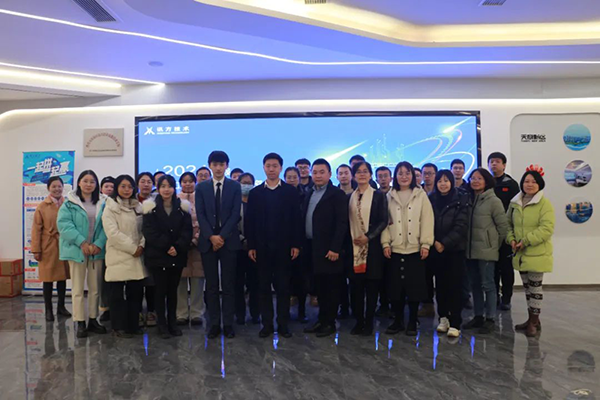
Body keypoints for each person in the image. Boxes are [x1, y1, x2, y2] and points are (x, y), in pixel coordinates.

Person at [246, 154, 302, 338]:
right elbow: (250, 222)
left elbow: (296, 219)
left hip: (284, 248)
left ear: (280, 168)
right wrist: (251, 246)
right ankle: (267, 324)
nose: (271, 169)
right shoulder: (255, 193)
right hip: (261, 248)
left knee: (283, 288)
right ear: (263, 167)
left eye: (275, 166)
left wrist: (296, 244)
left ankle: (283, 324)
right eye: (268, 166)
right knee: (263, 288)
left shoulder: (290, 192)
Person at [381, 162, 434, 336]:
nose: (404, 176)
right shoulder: (389, 196)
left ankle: (412, 321)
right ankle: (397, 321)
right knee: (395, 288)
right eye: (400, 173)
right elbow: (385, 222)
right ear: (395, 176)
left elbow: (427, 220)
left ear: (412, 175)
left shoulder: (421, 195)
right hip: (395, 248)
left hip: (415, 248)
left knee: (414, 288)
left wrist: (425, 244)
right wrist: (385, 243)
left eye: (407, 173)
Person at [196, 151, 242, 339]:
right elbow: (200, 214)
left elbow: (235, 214)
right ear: (210, 166)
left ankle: (228, 323)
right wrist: (211, 237)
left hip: (228, 241)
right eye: (215, 164)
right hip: (208, 242)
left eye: (221, 164)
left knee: (229, 285)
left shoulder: (235, 186)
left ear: (226, 166)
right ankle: (214, 323)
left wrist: (221, 236)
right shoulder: (202, 187)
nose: (218, 168)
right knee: (212, 285)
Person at [57, 170, 108, 338]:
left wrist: (98, 243)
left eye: (92, 181)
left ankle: (93, 319)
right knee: (78, 288)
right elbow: (64, 226)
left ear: (96, 184)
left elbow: (107, 225)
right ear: (79, 183)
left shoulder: (104, 202)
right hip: (77, 250)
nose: (88, 184)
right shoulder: (69, 203)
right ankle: (79, 321)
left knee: (95, 288)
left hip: (96, 250)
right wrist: (82, 242)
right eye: (85, 181)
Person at [302, 159, 349, 338]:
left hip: (330, 250)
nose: (318, 175)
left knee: (331, 288)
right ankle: (321, 320)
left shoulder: (336, 194)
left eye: (322, 172)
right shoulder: (309, 192)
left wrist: (335, 248)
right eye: (315, 172)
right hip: (312, 247)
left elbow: (342, 223)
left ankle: (330, 323)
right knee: (319, 288)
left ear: (329, 174)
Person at [143, 175, 193, 339]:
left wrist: (177, 247)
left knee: (173, 291)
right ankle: (162, 324)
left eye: (169, 186)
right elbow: (149, 232)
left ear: (174, 188)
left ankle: (172, 323)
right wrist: (167, 246)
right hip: (158, 256)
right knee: (159, 291)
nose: (166, 189)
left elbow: (187, 231)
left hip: (176, 256)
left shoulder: (183, 208)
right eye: (163, 186)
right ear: (158, 188)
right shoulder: (150, 208)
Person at [507, 168, 555, 337]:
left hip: (537, 253)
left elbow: (547, 228)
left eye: (534, 182)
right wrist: (511, 239)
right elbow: (508, 224)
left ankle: (533, 322)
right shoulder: (515, 203)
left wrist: (526, 241)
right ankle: (532, 319)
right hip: (520, 254)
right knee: (527, 288)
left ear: (540, 184)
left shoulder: (544, 204)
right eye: (526, 181)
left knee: (535, 289)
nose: (529, 184)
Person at [463, 168, 509, 334]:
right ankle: (478, 316)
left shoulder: (493, 201)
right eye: (473, 178)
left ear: (486, 181)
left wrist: (493, 244)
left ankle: (490, 318)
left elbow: (503, 227)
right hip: (470, 250)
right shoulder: (468, 199)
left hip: (487, 250)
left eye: (479, 178)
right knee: (474, 285)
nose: (475, 181)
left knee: (488, 284)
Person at [102, 175, 146, 338]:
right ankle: (118, 327)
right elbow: (112, 233)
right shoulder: (110, 207)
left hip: (136, 255)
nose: (127, 190)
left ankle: (133, 326)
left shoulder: (138, 207)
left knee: (135, 293)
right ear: (116, 188)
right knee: (117, 295)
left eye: (130, 186)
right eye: (123, 186)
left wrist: (141, 245)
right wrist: (132, 248)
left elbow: (145, 229)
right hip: (119, 254)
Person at [428, 170, 470, 338]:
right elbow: (426, 222)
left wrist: (444, 243)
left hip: (454, 250)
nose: (443, 184)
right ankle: (443, 318)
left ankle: (455, 322)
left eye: (446, 181)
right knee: (441, 287)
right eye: (440, 181)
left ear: (452, 182)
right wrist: (435, 242)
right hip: (436, 249)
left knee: (455, 287)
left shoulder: (461, 198)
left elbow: (461, 225)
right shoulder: (431, 199)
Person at [347, 161, 387, 336]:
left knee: (371, 288)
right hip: (353, 248)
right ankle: (358, 321)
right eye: (358, 171)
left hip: (373, 249)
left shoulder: (378, 196)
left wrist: (368, 236)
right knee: (355, 289)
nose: (362, 174)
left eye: (365, 171)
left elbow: (383, 220)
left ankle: (369, 322)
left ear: (370, 175)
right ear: (354, 175)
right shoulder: (349, 196)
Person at [31, 177, 71, 322]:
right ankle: (48, 310)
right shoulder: (42, 207)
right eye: (54, 186)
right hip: (48, 246)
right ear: (48, 188)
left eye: (59, 186)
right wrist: (36, 249)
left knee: (62, 278)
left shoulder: (68, 204)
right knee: (47, 279)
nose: (57, 189)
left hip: (64, 245)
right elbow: (36, 229)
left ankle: (61, 307)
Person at [488, 152, 520, 310]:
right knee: (492, 268)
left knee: (506, 268)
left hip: (506, 232)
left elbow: (515, 209)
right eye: (491, 162)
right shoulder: (486, 182)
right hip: (489, 233)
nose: (494, 164)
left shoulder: (512, 185)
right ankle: (493, 297)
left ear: (504, 165)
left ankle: (506, 298)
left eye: (497, 161)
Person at [176, 172, 205, 327]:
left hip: (198, 246)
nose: (188, 184)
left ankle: (196, 313)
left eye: (190, 181)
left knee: (197, 282)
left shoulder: (201, 198)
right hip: (181, 246)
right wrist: (183, 241)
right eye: (184, 181)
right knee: (180, 282)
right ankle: (181, 313)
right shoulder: (175, 199)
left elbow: (204, 221)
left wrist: (195, 239)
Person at [235, 172, 260, 325]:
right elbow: (230, 224)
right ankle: (240, 314)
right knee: (238, 283)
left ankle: (255, 313)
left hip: (255, 249)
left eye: (249, 183)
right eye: (243, 183)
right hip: (237, 248)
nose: (246, 185)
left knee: (255, 283)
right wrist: (242, 239)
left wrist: (252, 242)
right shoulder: (234, 203)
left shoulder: (258, 202)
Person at [284, 167, 308, 322]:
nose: (291, 180)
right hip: (283, 243)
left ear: (299, 179)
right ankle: (284, 311)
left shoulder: (306, 195)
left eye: (294, 177)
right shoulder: (281, 194)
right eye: (289, 177)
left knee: (301, 279)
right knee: (285, 279)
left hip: (302, 242)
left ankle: (302, 311)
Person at [136, 172, 157, 327]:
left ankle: (151, 311)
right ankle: (137, 311)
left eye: (149, 182)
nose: (146, 184)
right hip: (134, 245)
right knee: (136, 280)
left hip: (152, 245)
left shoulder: (157, 201)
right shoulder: (131, 201)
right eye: (142, 181)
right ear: (138, 184)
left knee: (151, 281)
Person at [418, 162, 438, 318]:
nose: (427, 176)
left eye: (430, 173)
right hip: (421, 239)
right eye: (425, 173)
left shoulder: (441, 192)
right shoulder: (417, 193)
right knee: (424, 275)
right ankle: (427, 304)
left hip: (439, 240)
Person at [99, 176, 115, 322]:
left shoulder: (118, 202)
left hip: (117, 247)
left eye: (112, 186)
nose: (109, 189)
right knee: (104, 281)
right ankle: (105, 308)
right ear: (101, 188)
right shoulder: (98, 203)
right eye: (106, 186)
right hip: (102, 247)